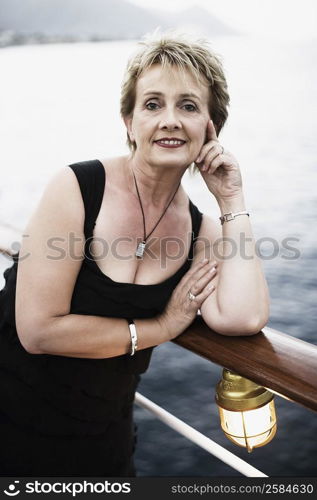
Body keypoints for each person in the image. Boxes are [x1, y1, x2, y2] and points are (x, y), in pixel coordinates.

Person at [0, 31, 270, 477]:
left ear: (211, 127)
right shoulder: (77, 188)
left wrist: (231, 200)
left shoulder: (202, 228)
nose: (169, 120)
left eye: (188, 106)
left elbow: (240, 318)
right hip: (10, 412)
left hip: (99, 437)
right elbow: (39, 331)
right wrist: (161, 326)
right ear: (128, 122)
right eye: (152, 105)